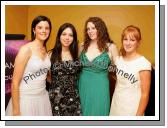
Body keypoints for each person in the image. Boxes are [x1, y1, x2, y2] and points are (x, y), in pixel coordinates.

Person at [5, 15, 52, 116]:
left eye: (47, 28)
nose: (44, 30)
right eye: (40, 27)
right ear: (34, 30)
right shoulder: (26, 49)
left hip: (42, 98)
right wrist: (16, 111)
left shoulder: (45, 49)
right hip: (26, 101)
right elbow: (15, 83)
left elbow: (45, 74)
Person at [78, 17, 118, 116]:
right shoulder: (82, 46)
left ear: (100, 29)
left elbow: (118, 69)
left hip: (100, 87)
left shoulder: (110, 47)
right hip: (83, 86)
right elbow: (75, 65)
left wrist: (104, 68)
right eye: (88, 29)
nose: (90, 31)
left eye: (93, 28)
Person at [109, 25, 151, 116]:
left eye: (132, 40)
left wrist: (138, 117)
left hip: (132, 109)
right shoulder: (118, 60)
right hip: (116, 106)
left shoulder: (144, 63)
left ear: (138, 42)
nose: (128, 43)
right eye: (125, 39)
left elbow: (145, 95)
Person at [48, 23, 82, 116]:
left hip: (73, 97)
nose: (67, 38)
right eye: (64, 34)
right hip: (56, 98)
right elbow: (47, 76)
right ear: (59, 36)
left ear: (74, 38)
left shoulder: (77, 54)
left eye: (70, 35)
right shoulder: (50, 54)